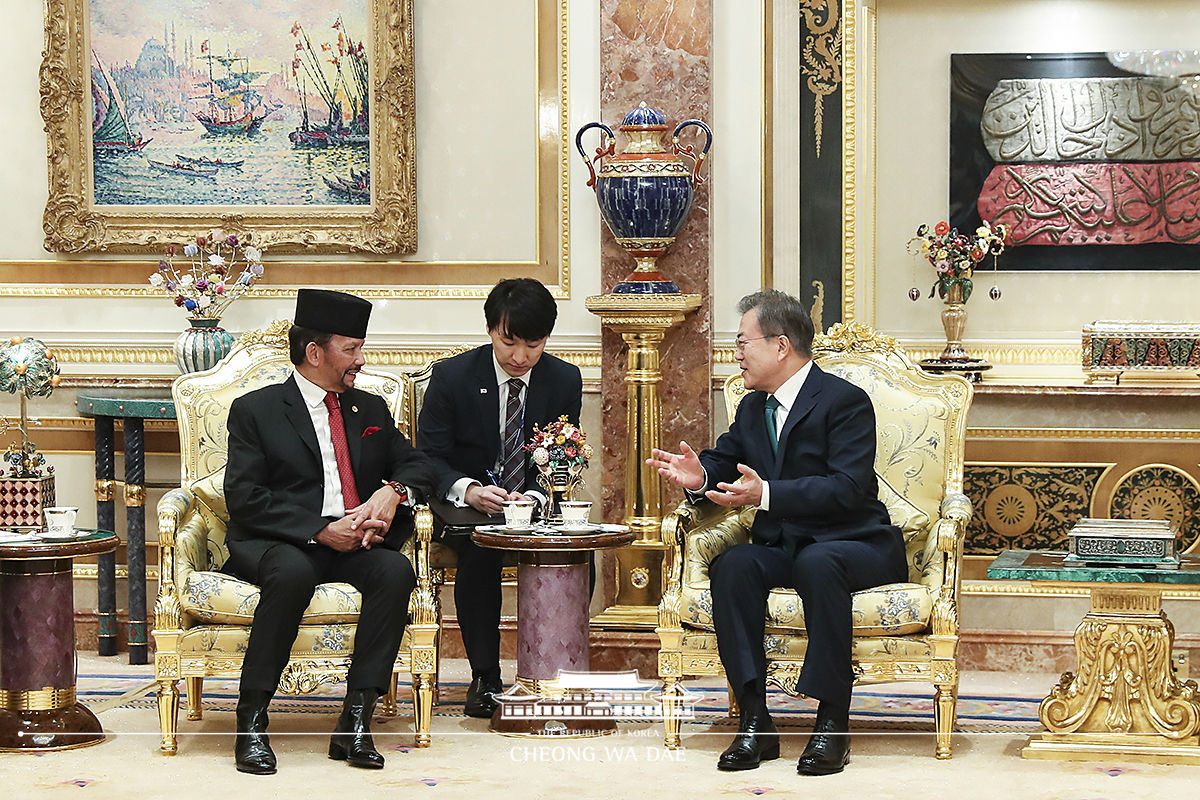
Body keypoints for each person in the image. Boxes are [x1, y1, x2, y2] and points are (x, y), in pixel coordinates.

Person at [647, 289, 906, 776]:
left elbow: (848, 488)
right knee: (733, 566)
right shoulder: (751, 408)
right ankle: (754, 721)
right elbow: (725, 462)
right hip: (784, 545)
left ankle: (832, 722)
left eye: (744, 342)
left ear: (781, 345)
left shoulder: (844, 402)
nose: (737, 353)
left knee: (818, 563)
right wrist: (700, 477)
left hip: (854, 543)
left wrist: (766, 494)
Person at [223, 288, 436, 775]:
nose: (360, 360)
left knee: (394, 571)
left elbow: (420, 465)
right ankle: (252, 721)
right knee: (294, 573)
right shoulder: (256, 410)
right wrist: (321, 531)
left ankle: (355, 721)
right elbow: (246, 499)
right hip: (281, 540)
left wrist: (393, 492)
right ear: (314, 352)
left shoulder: (370, 409)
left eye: (361, 348)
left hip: (354, 542)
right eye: (351, 349)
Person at [417, 278, 582, 718]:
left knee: (579, 553)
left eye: (534, 344)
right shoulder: (452, 376)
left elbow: (565, 454)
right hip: (467, 508)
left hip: (536, 503)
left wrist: (532, 494)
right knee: (480, 551)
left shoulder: (564, 378)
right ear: (491, 329)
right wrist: (468, 488)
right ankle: (485, 676)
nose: (520, 357)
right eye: (509, 342)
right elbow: (427, 458)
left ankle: (554, 671)